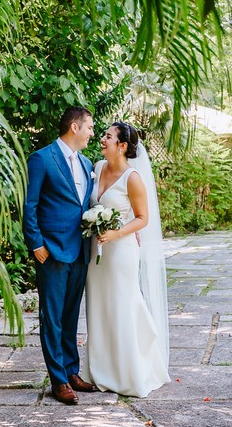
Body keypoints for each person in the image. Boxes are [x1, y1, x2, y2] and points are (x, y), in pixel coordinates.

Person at [79, 121, 170, 398]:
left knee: (122, 305)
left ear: (122, 146)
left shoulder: (132, 178)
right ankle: (99, 370)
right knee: (99, 307)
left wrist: (117, 233)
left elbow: (143, 218)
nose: (102, 139)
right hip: (97, 251)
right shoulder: (96, 167)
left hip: (121, 252)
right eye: (103, 135)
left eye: (108, 136)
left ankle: (130, 371)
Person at [23, 107, 97, 405]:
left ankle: (71, 370)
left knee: (69, 316)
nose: (93, 132)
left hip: (79, 249)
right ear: (74, 127)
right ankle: (58, 380)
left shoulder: (87, 162)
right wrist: (35, 243)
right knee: (51, 317)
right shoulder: (42, 158)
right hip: (50, 250)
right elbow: (29, 205)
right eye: (90, 127)